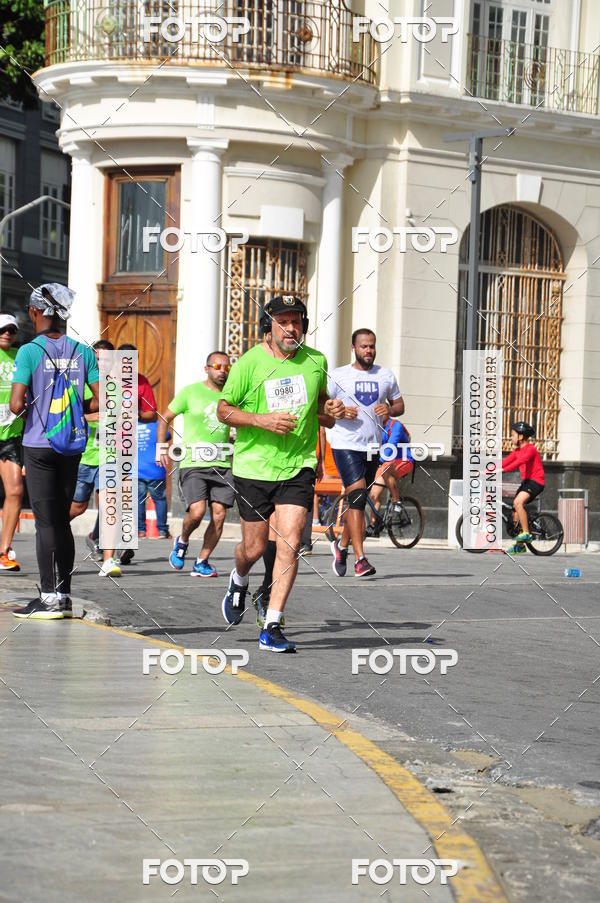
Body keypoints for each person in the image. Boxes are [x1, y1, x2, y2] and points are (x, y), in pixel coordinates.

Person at [217, 294, 345, 652]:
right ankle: (239, 578)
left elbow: (321, 410)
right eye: (284, 322)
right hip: (253, 466)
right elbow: (223, 411)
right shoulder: (249, 363)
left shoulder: (315, 361)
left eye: (297, 321)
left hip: (298, 466)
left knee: (290, 543)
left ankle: (272, 624)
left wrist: (329, 407)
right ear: (269, 326)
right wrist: (261, 420)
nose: (292, 328)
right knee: (254, 547)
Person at [10, 283, 99, 619]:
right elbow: (100, 398)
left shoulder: (29, 352)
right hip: (72, 444)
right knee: (62, 522)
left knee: (46, 524)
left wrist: (34, 405)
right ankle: (64, 596)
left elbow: (16, 404)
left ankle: (47, 597)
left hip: (38, 444)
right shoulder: (83, 351)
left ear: (35, 312)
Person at [326, 329, 404, 577]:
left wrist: (390, 410)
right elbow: (322, 407)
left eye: (371, 346)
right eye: (363, 347)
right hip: (344, 443)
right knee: (358, 495)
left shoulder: (385, 375)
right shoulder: (338, 376)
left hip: (372, 445)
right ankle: (361, 560)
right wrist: (336, 411)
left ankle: (342, 546)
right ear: (353, 348)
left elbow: (400, 404)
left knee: (356, 501)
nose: (368, 350)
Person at [157, 351, 234, 576]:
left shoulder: (232, 395)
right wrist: (161, 446)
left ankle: (202, 561)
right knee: (198, 512)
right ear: (207, 368)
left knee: (219, 515)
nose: (222, 371)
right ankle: (182, 541)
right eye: (218, 366)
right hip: (194, 463)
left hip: (223, 463)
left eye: (227, 368)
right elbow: (165, 417)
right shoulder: (191, 392)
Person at [69, 339, 123, 577]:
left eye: (107, 360)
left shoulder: (118, 388)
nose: (102, 364)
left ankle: (109, 560)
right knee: (78, 507)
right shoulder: (79, 385)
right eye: (98, 359)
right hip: (81, 455)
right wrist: (90, 417)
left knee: (110, 504)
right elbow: (68, 415)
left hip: (109, 456)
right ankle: (50, 528)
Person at [0, 314, 24, 570]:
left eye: (12, 330)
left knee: (15, 491)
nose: (7, 333)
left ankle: (4, 552)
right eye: (2, 330)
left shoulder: (22, 356)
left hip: (10, 436)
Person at [502, 420, 545, 554]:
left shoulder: (530, 449)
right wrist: (485, 471)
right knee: (515, 512)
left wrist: (504, 470)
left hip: (536, 482)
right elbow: (504, 462)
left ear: (521, 437)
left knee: (518, 502)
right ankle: (520, 546)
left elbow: (521, 461)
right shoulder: (516, 451)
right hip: (526, 482)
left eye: (513, 435)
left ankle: (527, 533)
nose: (511, 437)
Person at [367, 416, 414, 536]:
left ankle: (397, 501)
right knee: (374, 494)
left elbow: (391, 445)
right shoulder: (376, 427)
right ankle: (372, 526)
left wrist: (380, 460)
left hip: (404, 460)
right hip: (385, 464)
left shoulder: (395, 425)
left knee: (386, 469)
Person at [138, 418, 169, 538]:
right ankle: (162, 530)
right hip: (156, 469)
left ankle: (140, 530)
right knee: (160, 499)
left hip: (137, 470)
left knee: (138, 501)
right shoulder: (158, 425)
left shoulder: (130, 425)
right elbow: (167, 436)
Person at [117, 343, 157, 423]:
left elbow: (151, 413)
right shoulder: (105, 379)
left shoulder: (141, 381)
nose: (128, 369)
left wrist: (138, 415)